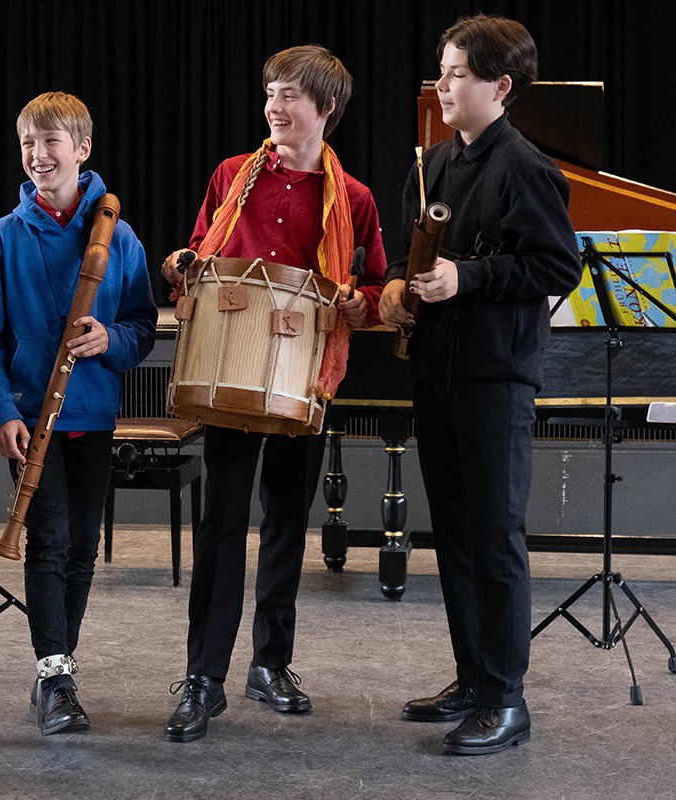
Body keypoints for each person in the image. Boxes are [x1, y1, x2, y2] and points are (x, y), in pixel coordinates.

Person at [159, 45, 387, 743]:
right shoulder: (234, 175)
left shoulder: (353, 199)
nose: (274, 108)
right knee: (222, 526)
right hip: (232, 372)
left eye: (290, 96)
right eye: (270, 94)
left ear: (327, 108)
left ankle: (271, 665)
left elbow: (376, 288)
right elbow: (197, 252)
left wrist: (360, 303)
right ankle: (203, 678)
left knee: (288, 521)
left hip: (304, 384)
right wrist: (182, 264)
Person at [379, 15, 581, 755]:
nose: (441, 85)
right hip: (437, 370)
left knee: (495, 540)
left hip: (496, 375)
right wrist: (403, 288)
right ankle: (472, 679)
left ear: (500, 86)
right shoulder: (430, 165)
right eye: (440, 71)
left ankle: (506, 699)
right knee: (458, 538)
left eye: (457, 74)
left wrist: (470, 276)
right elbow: (412, 259)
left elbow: (559, 267)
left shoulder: (527, 168)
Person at [0, 91, 157, 736]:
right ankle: (54, 673)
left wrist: (112, 339)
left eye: (52, 142)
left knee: (80, 548)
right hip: (29, 421)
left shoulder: (118, 235)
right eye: (28, 144)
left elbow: (140, 325)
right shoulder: (1, 239)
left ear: (83, 148)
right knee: (48, 543)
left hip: (93, 416)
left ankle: (57, 667)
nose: (39, 156)